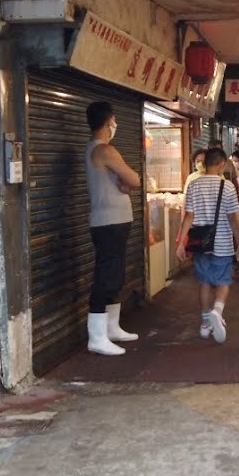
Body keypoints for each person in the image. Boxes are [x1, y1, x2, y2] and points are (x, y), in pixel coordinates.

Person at [84, 101, 143, 356]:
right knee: (105, 276)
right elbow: (134, 179)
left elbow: (125, 182)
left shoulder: (98, 150)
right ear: (109, 122)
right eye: (115, 120)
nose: (115, 125)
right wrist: (126, 180)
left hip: (113, 221)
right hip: (108, 222)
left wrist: (124, 181)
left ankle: (112, 328)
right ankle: (96, 337)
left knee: (115, 274)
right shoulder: (105, 150)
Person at [176, 148, 239, 343]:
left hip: (200, 243)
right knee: (223, 282)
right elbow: (234, 219)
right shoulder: (228, 187)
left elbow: (188, 217)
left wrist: (182, 243)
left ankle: (205, 323)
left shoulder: (193, 185)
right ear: (222, 164)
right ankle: (217, 310)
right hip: (222, 243)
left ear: (204, 163)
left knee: (205, 282)